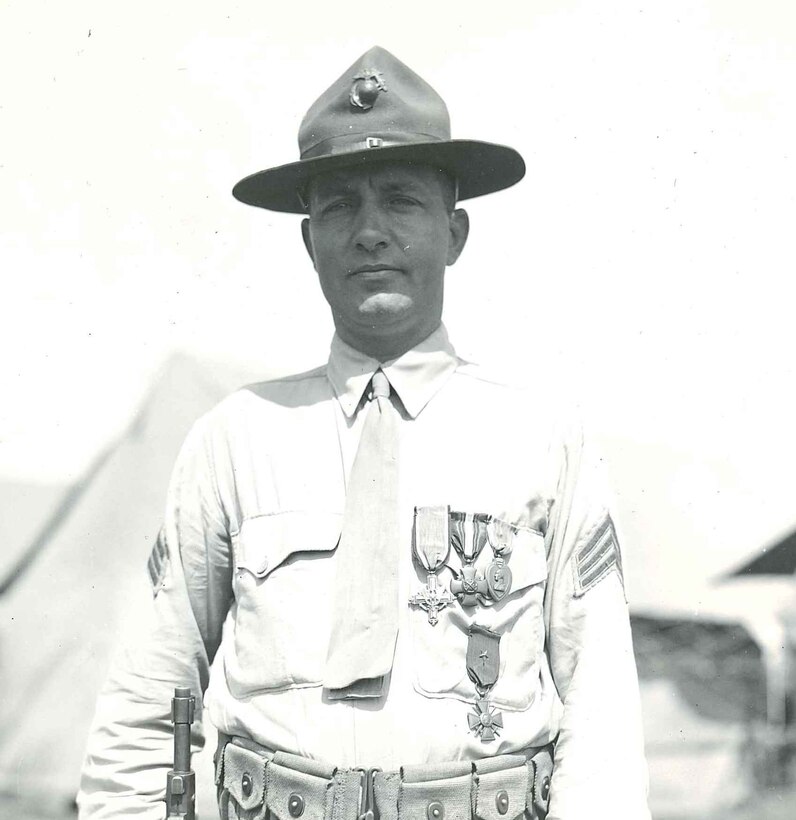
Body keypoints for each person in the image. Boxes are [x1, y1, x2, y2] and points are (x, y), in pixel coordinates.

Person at [78, 46, 650, 820]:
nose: (370, 232)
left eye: (402, 201)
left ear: (455, 234)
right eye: (340, 206)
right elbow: (146, 705)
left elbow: (601, 711)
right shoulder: (236, 441)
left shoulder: (543, 439)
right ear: (310, 242)